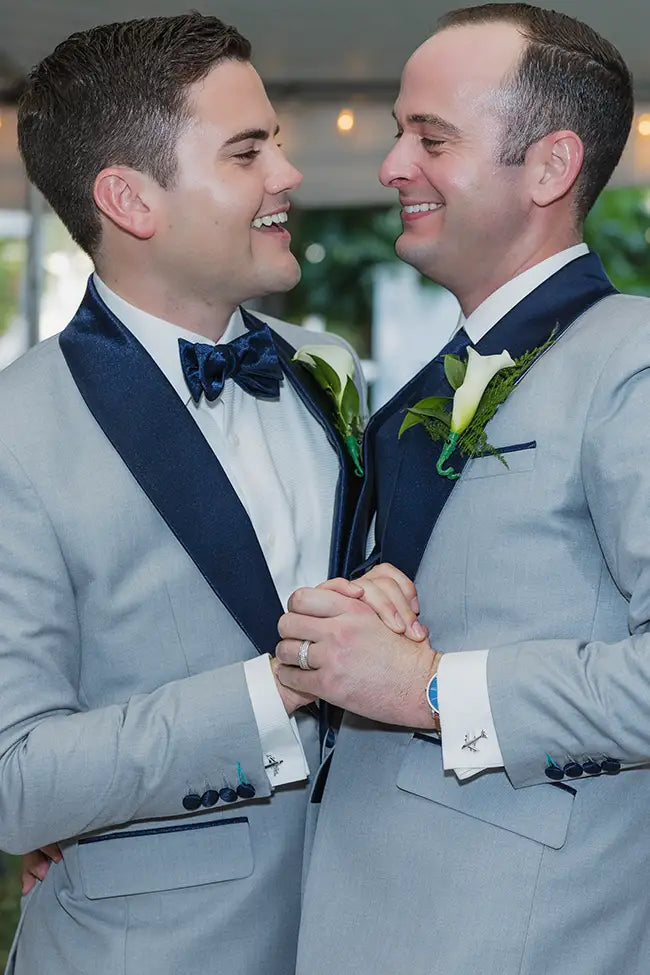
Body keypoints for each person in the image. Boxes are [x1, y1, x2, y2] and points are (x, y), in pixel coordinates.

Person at [0, 13, 380, 975]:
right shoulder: (18, 431)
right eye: (248, 151)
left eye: (278, 145)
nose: (287, 176)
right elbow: (16, 782)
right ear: (130, 198)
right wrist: (277, 686)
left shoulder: (322, 367)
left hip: (369, 927)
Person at [275, 5, 650, 974]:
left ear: (548, 167)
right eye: (398, 132)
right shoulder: (424, 381)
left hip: (513, 933)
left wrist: (429, 688)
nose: (391, 166)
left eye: (428, 137)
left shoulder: (631, 364)